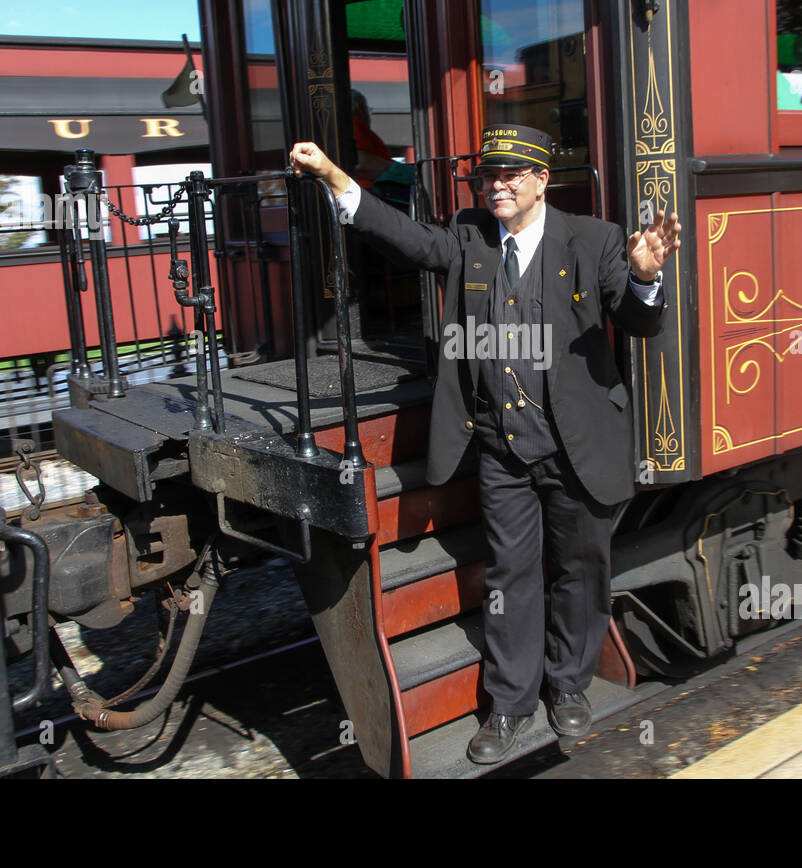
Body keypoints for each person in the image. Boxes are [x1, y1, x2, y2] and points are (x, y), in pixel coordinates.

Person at [289, 124, 680, 764]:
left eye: (511, 175)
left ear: (541, 181)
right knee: (510, 577)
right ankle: (509, 705)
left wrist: (642, 277)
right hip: (504, 449)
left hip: (578, 448)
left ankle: (570, 685)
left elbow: (637, 323)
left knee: (582, 573)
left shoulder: (594, 238)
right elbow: (408, 238)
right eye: (489, 177)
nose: (497, 185)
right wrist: (337, 178)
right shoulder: (470, 237)